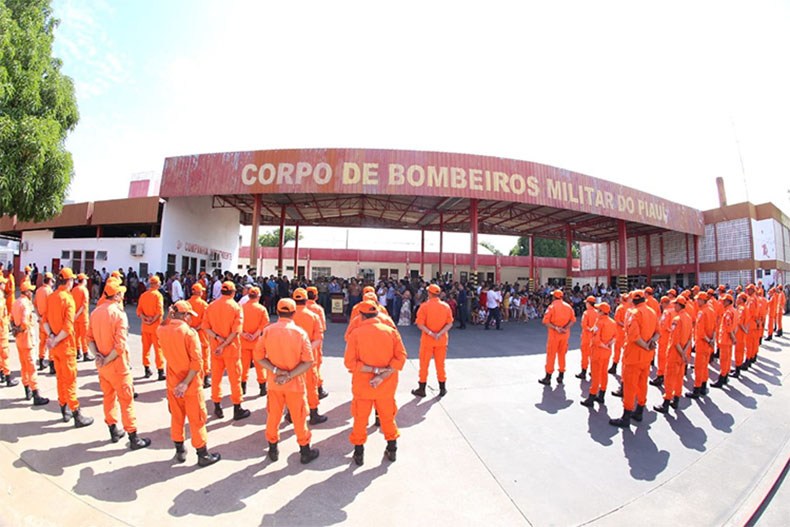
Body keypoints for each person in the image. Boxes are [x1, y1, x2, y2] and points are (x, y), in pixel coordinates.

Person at [254, 298, 320, 464]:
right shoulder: (300, 333)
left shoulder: (268, 331)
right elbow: (308, 361)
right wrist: (289, 375)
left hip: (274, 382)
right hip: (295, 384)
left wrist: (277, 371)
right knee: (298, 417)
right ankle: (305, 451)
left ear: (277, 312)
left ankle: (273, 448)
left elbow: (259, 357)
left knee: (273, 416)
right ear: (294, 313)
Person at [88, 280, 151, 449]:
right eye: (121, 293)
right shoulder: (118, 314)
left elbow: (89, 339)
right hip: (117, 366)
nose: (123, 295)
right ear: (116, 296)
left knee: (108, 397)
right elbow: (120, 346)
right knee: (126, 401)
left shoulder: (96, 312)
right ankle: (133, 437)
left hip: (103, 366)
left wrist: (98, 357)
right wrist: (107, 358)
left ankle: (113, 429)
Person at [158, 301, 221, 466]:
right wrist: (185, 383)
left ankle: (179, 450)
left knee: (177, 418)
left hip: (173, 383)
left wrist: (168, 316)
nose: (190, 319)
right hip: (190, 385)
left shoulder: (162, 330)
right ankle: (202, 454)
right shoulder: (189, 333)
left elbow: (162, 325)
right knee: (197, 420)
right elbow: (196, 363)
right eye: (189, 315)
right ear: (184, 315)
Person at [344, 300, 407, 465]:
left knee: (360, 418)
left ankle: (359, 453)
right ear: (378, 313)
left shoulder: (356, 334)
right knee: (387, 417)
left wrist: (373, 370)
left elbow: (350, 363)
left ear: (361, 315)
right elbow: (401, 359)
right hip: (386, 385)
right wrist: (381, 375)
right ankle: (392, 448)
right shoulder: (391, 332)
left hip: (363, 385)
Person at [43, 268, 94, 427]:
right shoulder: (68, 299)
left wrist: (51, 337)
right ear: (70, 281)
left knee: (60, 378)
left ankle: (63, 408)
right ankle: (76, 414)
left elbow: (44, 320)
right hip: (66, 346)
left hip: (56, 347)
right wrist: (57, 339)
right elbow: (67, 328)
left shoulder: (51, 297)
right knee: (70, 381)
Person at [609, 290, 658, 427]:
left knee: (630, 387)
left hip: (634, 356)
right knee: (642, 384)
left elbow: (634, 337)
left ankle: (626, 416)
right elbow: (657, 332)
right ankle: (640, 411)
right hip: (646, 358)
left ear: (633, 300)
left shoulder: (633, 313)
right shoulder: (652, 312)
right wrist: (651, 343)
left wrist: (645, 346)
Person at [203, 281, 250, 421]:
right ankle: (237, 408)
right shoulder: (236, 307)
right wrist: (224, 344)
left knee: (216, 379)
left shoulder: (211, 306)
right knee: (235, 379)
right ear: (234, 292)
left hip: (216, 348)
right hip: (231, 349)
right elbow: (236, 332)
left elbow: (205, 327)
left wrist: (218, 340)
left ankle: (217, 406)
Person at [292, 288, 328, 424]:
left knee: (293, 386)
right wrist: (306, 351)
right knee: (311, 385)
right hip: (310, 355)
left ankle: (291, 413)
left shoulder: (289, 314)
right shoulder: (314, 314)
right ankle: (313, 413)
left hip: (291, 356)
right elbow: (319, 336)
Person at [411, 284, 454, 397]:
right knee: (440, 365)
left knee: (424, 365)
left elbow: (420, 324)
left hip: (428, 340)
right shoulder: (445, 306)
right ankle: (442, 388)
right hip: (441, 340)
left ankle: (422, 388)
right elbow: (449, 323)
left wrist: (431, 333)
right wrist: (439, 333)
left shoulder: (424, 306)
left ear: (429, 294)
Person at [11, 281, 49, 405]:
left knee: (24, 365)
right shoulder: (26, 304)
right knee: (31, 367)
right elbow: (24, 323)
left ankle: (26, 389)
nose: (31, 293)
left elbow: (12, 320)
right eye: (30, 291)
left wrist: (15, 330)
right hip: (27, 339)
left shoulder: (16, 302)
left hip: (19, 340)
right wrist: (19, 329)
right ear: (26, 292)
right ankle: (35, 393)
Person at [654, 297, 692, 413]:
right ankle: (676, 399)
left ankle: (666, 401)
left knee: (670, 377)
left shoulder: (677, 319)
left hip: (675, 353)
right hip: (682, 352)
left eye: (676, 304)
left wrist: (681, 352)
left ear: (679, 305)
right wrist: (685, 353)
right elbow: (690, 338)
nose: (674, 306)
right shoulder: (688, 318)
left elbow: (675, 341)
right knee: (679, 377)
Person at [581, 303, 615, 407]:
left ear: (601, 312)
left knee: (595, 375)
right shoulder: (612, 322)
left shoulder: (599, 322)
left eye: (598, 310)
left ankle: (591, 397)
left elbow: (596, 340)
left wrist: (603, 345)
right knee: (604, 373)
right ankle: (602, 395)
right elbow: (615, 336)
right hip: (607, 352)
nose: (596, 312)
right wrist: (608, 344)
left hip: (598, 351)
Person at [539, 289, 576, 385]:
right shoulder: (568, 307)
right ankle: (561, 375)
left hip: (554, 335)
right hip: (564, 334)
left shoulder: (551, 307)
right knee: (562, 354)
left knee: (551, 355)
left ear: (554, 297)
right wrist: (564, 328)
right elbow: (573, 320)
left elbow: (546, 321)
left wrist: (556, 328)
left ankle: (548, 377)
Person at [240, 286, 269, 397]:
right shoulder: (261, 309)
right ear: (258, 296)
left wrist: (244, 334)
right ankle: (262, 388)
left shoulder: (241, 307)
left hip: (243, 341)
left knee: (244, 365)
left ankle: (243, 387)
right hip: (257, 341)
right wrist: (255, 335)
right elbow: (264, 324)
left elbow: (237, 323)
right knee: (260, 365)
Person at [687, 292, 716, 398]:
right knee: (704, 367)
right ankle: (703, 387)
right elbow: (714, 327)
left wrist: (708, 340)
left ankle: (697, 389)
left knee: (699, 367)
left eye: (698, 299)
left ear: (703, 300)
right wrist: (712, 340)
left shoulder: (702, 312)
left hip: (703, 343)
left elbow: (701, 331)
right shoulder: (711, 310)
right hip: (708, 344)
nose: (696, 301)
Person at [137, 275, 166, 380]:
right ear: (157, 284)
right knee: (158, 349)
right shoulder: (158, 296)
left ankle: (147, 369)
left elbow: (139, 311)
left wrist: (146, 319)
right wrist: (152, 321)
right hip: (155, 327)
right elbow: (159, 312)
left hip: (145, 327)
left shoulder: (143, 295)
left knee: (146, 349)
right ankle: (160, 371)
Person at [187, 283, 212, 388]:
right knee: (204, 355)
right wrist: (197, 328)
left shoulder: (186, 303)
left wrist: (191, 328)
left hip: (188, 333)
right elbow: (206, 321)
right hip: (201, 334)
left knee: (190, 355)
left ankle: (190, 377)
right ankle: (205, 378)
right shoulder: (204, 304)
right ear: (199, 292)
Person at [306, 286, 329, 399]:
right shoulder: (318, 309)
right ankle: (318, 389)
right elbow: (322, 328)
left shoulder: (297, 308)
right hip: (314, 343)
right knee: (315, 368)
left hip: (298, 344)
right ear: (316, 296)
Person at [712, 294, 737, 388]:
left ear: (728, 302)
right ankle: (725, 376)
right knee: (728, 359)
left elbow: (728, 327)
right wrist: (733, 337)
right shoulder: (733, 310)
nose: (722, 303)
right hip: (729, 339)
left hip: (726, 339)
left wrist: (733, 337)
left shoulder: (728, 312)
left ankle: (721, 378)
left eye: (724, 301)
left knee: (723, 360)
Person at [650, 296, 673, 387]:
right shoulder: (674, 310)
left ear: (664, 303)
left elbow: (664, 326)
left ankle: (660, 375)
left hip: (664, 338)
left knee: (662, 358)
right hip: (671, 339)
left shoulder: (667, 312)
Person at [34, 272, 54, 372]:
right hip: (49, 321)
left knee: (42, 342)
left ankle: (41, 361)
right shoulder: (49, 291)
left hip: (41, 320)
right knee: (50, 341)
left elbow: (35, 306)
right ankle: (51, 364)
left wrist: (39, 316)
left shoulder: (38, 291)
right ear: (50, 281)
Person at [71, 273, 93, 362]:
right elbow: (84, 305)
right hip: (82, 317)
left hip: (75, 317)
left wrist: (75, 314)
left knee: (76, 336)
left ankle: (78, 352)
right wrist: (78, 314)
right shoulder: (84, 290)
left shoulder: (74, 290)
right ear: (83, 280)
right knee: (84, 336)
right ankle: (85, 353)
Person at [608, 294, 630, 375]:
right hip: (627, 332)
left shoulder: (620, 308)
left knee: (617, 350)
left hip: (620, 331)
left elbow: (617, 320)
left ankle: (614, 365)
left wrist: (624, 325)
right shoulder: (631, 307)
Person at [577, 296, 596, 380]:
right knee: (593, 356)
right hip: (594, 337)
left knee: (585, 355)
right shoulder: (597, 312)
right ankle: (593, 372)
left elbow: (584, 325)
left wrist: (590, 329)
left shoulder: (586, 313)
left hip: (587, 337)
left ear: (588, 303)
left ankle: (583, 372)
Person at [732, 292, 750, 378]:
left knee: (738, 352)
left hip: (740, 333)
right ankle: (737, 367)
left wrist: (745, 330)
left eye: (738, 298)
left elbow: (740, 322)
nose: (736, 299)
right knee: (740, 351)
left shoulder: (741, 308)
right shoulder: (744, 307)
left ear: (742, 300)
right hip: (741, 333)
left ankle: (737, 370)